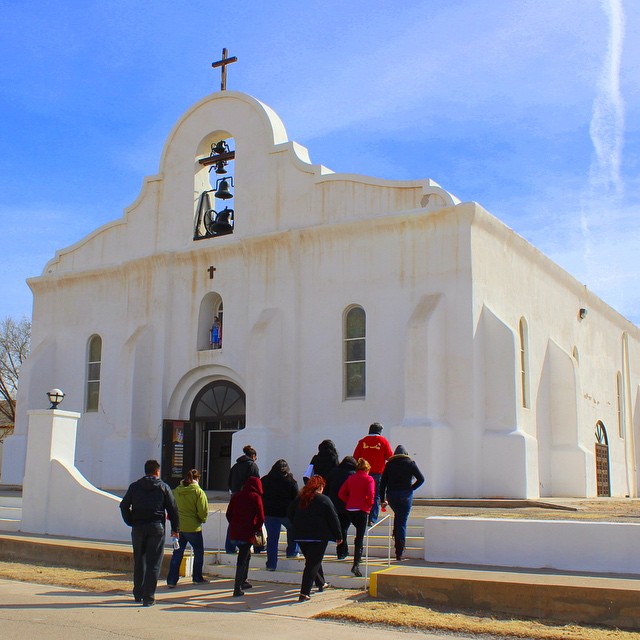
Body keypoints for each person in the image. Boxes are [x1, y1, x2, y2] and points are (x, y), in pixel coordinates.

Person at [119, 459, 179, 606]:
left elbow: (124, 506)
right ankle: (148, 597)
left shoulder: (134, 487)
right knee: (154, 563)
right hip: (156, 527)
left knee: (139, 561)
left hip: (138, 528)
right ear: (157, 472)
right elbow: (173, 509)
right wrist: (175, 530)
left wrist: (131, 521)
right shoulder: (163, 487)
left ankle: (138, 593)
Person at [288, 475, 342, 602]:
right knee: (312, 563)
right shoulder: (324, 500)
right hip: (318, 536)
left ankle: (320, 582)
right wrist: (338, 535)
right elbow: (333, 518)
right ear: (320, 486)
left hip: (301, 536)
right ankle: (304, 593)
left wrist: (296, 524)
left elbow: (289, 512)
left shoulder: (300, 498)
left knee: (313, 561)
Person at [380, 445, 425, 561]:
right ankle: (399, 550)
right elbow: (421, 479)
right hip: (405, 495)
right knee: (402, 521)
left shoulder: (389, 465)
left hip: (392, 495)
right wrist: (411, 488)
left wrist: (381, 499)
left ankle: (397, 544)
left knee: (398, 517)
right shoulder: (410, 463)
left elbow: (383, 483)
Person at [166, 469, 209, 587]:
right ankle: (197, 577)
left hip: (178, 526)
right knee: (198, 552)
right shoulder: (198, 492)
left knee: (177, 553)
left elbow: (171, 507)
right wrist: (202, 519)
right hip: (193, 527)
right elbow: (203, 510)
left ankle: (171, 580)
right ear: (197, 479)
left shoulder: (176, 491)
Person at [225, 476, 265, 597]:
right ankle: (237, 587)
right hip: (247, 533)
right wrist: (256, 528)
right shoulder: (256, 497)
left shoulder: (236, 496)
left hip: (235, 532)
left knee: (246, 555)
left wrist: (234, 524)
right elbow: (261, 517)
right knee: (242, 559)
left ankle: (243, 581)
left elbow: (228, 514)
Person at [338, 457, 375, 577]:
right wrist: (368, 505)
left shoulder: (351, 478)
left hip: (350, 509)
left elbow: (341, 493)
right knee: (360, 537)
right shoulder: (369, 479)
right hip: (362, 510)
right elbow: (370, 495)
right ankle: (356, 564)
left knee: (351, 531)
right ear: (367, 469)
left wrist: (349, 501)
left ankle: (352, 556)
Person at [261, 459, 300, 571]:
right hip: (286, 514)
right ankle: (292, 551)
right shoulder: (291, 481)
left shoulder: (265, 480)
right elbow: (296, 499)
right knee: (293, 530)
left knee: (272, 539)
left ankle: (271, 564)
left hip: (270, 513)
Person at [353, 422, 393, 524]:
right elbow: (390, 457)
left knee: (362, 494)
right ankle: (372, 519)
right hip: (378, 474)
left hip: (363, 473)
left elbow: (355, 458)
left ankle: (362, 516)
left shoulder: (362, 441)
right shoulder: (383, 441)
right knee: (375, 496)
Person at [225, 444, 260, 554]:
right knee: (248, 521)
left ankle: (230, 547)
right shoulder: (252, 466)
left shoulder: (235, 466)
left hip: (235, 495)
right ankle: (247, 546)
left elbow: (229, 482)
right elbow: (256, 482)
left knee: (234, 521)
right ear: (253, 455)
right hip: (247, 496)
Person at [325, 455, 357, 560]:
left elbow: (326, 488)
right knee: (344, 528)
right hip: (347, 504)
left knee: (340, 528)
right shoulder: (353, 475)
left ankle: (342, 551)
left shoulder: (333, 472)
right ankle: (342, 552)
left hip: (333, 504)